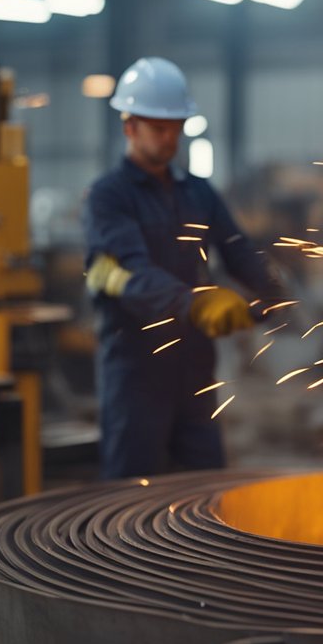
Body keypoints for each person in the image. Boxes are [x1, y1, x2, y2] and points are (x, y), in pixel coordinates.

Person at [83, 57, 283, 479]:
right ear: (129, 126)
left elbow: (236, 248)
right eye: (159, 128)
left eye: (176, 127)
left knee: (204, 489)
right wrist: (193, 302)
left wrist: (272, 291)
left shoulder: (197, 191)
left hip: (193, 365)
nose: (170, 137)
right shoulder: (109, 197)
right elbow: (129, 275)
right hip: (135, 367)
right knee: (129, 496)